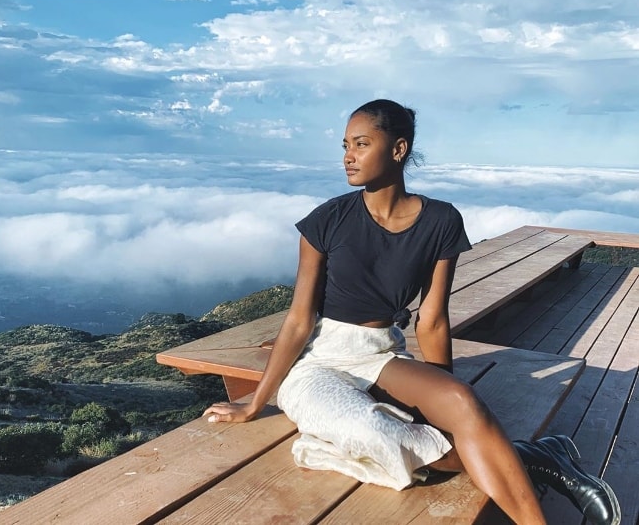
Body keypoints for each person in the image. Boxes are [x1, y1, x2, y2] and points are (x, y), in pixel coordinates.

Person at [205, 99, 620, 525]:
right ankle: (536, 456)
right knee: (374, 434)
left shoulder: (441, 221)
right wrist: (256, 402)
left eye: (362, 144)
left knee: (462, 402)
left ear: (398, 149)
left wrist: (442, 402)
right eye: (346, 145)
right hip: (317, 363)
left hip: (381, 352)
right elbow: (298, 320)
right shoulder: (325, 220)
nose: (348, 156)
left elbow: (433, 319)